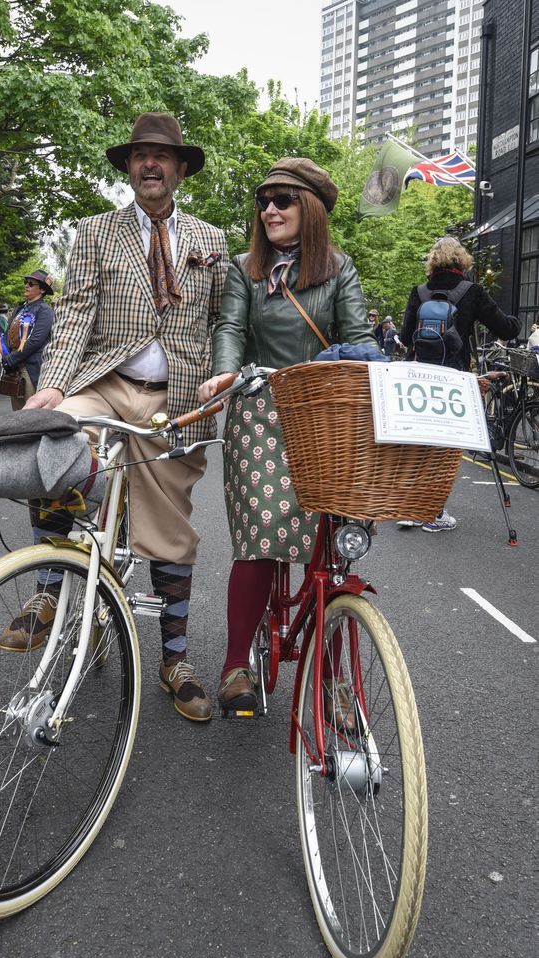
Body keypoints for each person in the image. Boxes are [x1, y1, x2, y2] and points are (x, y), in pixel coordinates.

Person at [0, 112, 229, 724]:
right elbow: (73, 315)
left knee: (170, 527)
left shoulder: (212, 238)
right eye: (139, 156)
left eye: (161, 156)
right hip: (104, 379)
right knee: (53, 439)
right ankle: (50, 591)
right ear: (130, 168)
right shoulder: (98, 232)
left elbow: (224, 324)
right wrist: (50, 388)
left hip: (175, 399)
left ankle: (174, 658)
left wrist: (224, 385)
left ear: (180, 169)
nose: (149, 164)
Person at [198, 157, 379, 713]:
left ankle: (332, 673)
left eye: (284, 199)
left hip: (323, 414)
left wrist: (348, 362)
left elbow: (360, 338)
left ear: (312, 210)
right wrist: (227, 371)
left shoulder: (339, 270)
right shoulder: (244, 269)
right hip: (259, 407)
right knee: (262, 534)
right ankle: (234, 666)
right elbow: (230, 325)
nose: (269, 209)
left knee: (330, 541)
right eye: (264, 201)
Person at [398, 235, 521, 533]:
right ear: (461, 261)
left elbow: (404, 335)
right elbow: (504, 327)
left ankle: (410, 507)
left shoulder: (420, 291)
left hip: (418, 377)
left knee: (419, 439)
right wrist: (516, 323)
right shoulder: (472, 291)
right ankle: (431, 512)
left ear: (433, 261)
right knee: (444, 445)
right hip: (453, 378)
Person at [2, 272, 55, 409]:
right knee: (17, 413)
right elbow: (8, 332)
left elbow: (35, 341)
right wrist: (5, 353)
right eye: (26, 282)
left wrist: (11, 359)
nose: (26, 285)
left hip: (30, 369)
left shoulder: (45, 311)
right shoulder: (20, 308)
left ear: (42, 289)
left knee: (30, 413)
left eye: (31, 284)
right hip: (15, 369)